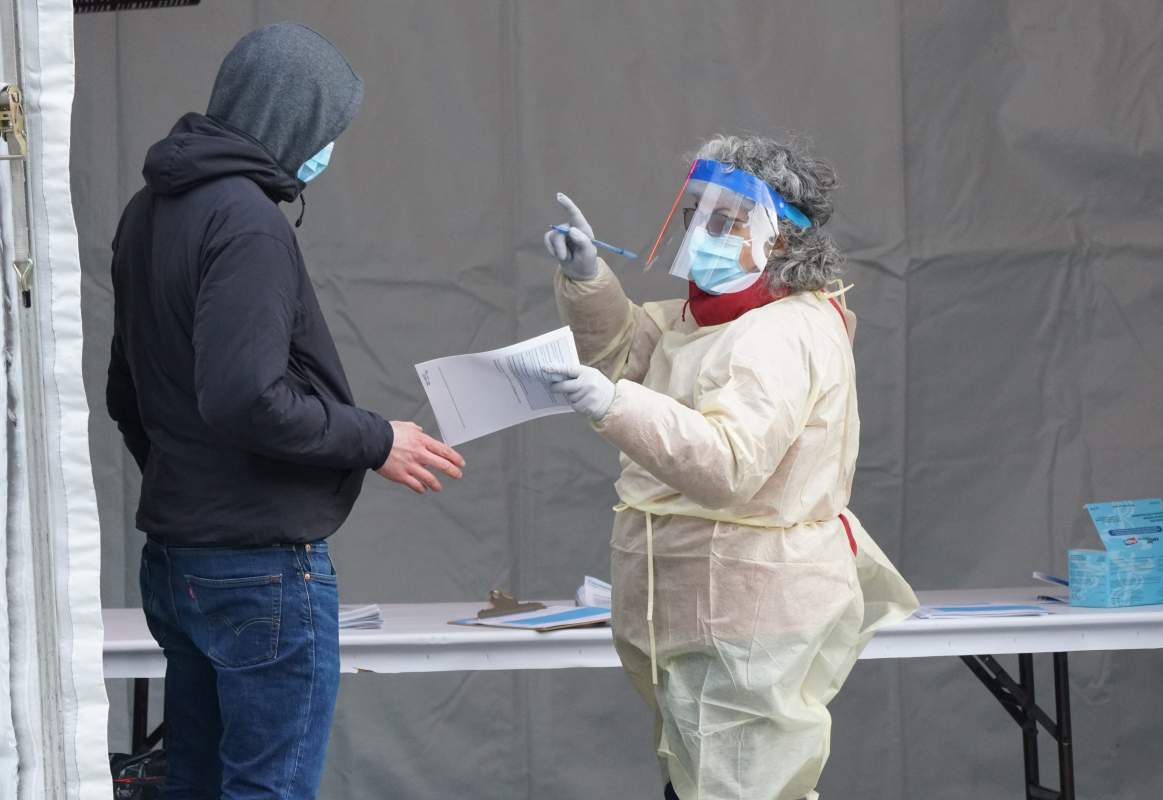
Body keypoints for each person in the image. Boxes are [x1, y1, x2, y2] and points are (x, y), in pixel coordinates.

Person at [105, 23, 465, 799]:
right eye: (329, 130)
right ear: (293, 120)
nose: (329, 150)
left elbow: (123, 394)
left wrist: (191, 484)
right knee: (269, 788)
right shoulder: (247, 221)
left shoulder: (146, 213)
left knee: (193, 783)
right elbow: (246, 397)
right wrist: (376, 439)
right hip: (259, 568)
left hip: (177, 558)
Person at [544, 134, 918, 800]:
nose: (703, 232)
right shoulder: (710, 318)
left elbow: (729, 463)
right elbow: (629, 350)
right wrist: (589, 280)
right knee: (703, 783)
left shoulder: (782, 333)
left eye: (726, 220)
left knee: (746, 788)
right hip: (699, 611)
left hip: (749, 617)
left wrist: (614, 404)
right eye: (697, 216)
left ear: (779, 238)